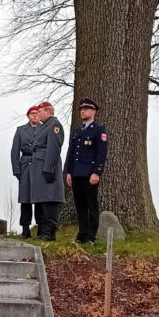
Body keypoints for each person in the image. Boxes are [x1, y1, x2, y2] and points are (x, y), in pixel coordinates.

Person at [64, 97, 108, 244]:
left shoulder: (98, 130)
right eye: (81, 109)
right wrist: (68, 172)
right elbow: (71, 153)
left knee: (91, 205)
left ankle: (90, 235)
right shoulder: (77, 131)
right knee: (80, 205)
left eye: (86, 109)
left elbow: (101, 154)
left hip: (90, 174)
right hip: (76, 174)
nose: (82, 111)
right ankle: (82, 234)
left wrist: (97, 172)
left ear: (93, 111)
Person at [30, 101, 65, 241]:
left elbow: (53, 148)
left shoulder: (54, 125)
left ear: (47, 111)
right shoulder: (43, 126)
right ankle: (42, 230)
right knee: (41, 199)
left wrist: (49, 169)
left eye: (40, 112)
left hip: (47, 167)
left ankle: (50, 232)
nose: (37, 115)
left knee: (50, 199)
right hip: (39, 167)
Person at [10, 105, 42, 238]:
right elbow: (14, 151)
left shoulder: (45, 128)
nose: (34, 115)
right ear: (28, 115)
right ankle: (25, 228)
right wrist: (17, 170)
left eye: (36, 113)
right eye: (32, 113)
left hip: (40, 164)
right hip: (26, 165)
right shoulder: (21, 130)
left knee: (40, 198)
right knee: (26, 198)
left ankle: (41, 227)